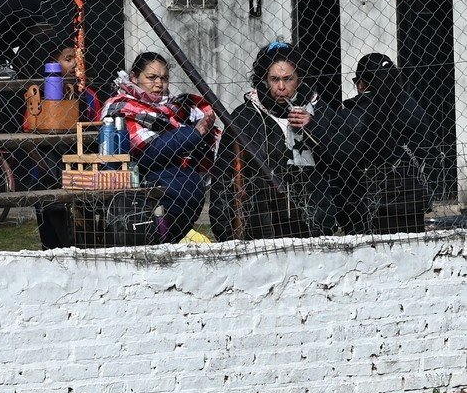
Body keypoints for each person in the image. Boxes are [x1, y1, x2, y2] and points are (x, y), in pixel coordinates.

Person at [217, 42, 341, 239]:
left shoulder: (319, 110)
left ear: (300, 79)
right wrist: (225, 232)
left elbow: (341, 159)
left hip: (313, 222)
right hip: (261, 224)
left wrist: (314, 127)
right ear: (264, 80)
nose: (281, 87)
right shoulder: (246, 117)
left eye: (288, 79)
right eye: (274, 79)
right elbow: (224, 175)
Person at [101, 52, 216, 243]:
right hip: (141, 180)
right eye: (151, 77)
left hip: (180, 187)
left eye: (164, 78)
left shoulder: (176, 108)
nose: (159, 84)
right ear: (134, 78)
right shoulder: (121, 106)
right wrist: (194, 134)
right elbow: (149, 152)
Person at [324, 52, 428, 235]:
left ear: (361, 84)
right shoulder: (414, 109)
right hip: (410, 202)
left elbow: (341, 161)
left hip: (364, 208)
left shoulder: (351, 116)